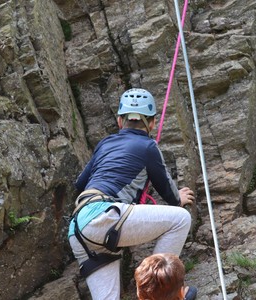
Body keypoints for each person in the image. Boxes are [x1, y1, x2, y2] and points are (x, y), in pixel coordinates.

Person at [68, 88, 195, 300]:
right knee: (181, 219)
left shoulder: (105, 143)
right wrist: (178, 199)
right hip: (105, 217)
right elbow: (168, 191)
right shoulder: (148, 146)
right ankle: (159, 289)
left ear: (120, 121)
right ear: (152, 123)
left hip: (79, 228)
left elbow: (80, 183)